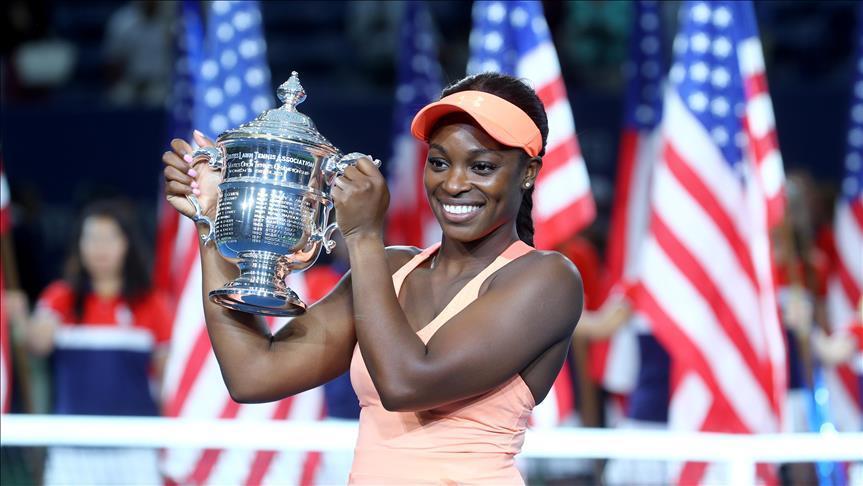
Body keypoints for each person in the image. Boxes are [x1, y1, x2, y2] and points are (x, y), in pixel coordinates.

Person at [162, 72, 584, 484]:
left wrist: (363, 236)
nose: (454, 183)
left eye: (482, 166)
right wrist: (212, 221)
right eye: (440, 162)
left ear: (528, 172)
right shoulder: (391, 269)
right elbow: (253, 373)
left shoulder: (547, 279)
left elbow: (406, 385)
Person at [20, 199, 171, 485]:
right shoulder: (60, 297)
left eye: (109, 238)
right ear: (79, 245)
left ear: (126, 243)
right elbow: (37, 345)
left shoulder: (152, 304)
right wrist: (20, 319)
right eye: (92, 238)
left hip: (136, 450)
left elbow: (166, 380)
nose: (100, 248)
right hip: (72, 450)